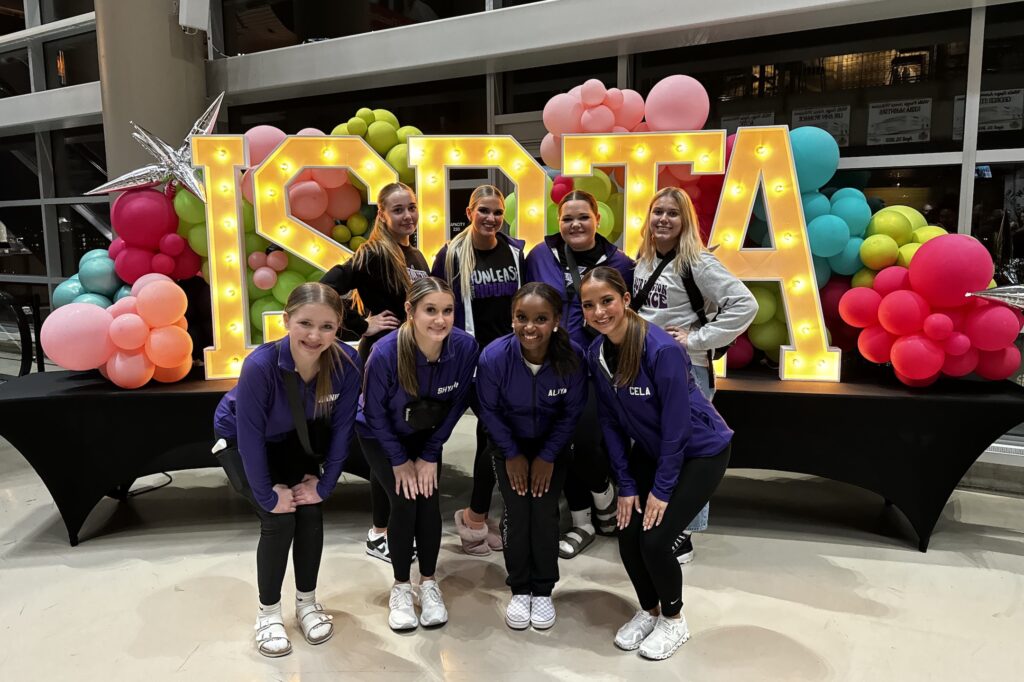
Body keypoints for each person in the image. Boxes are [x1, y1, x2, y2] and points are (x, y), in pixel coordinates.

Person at [580, 266, 733, 661]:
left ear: (626, 300)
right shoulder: (595, 353)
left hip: (701, 452)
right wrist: (627, 486)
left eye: (607, 301)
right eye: (589, 305)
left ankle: (675, 619)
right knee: (627, 533)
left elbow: (677, 428)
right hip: (651, 450)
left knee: (657, 540)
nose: (599, 311)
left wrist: (661, 491)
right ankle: (649, 611)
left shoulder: (661, 348)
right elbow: (611, 423)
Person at [212, 283, 362, 658]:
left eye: (327, 327)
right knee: (278, 519)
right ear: (286, 320)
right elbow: (248, 437)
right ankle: (268, 614)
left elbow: (344, 429)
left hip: (295, 436)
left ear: (339, 326)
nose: (315, 335)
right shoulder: (261, 365)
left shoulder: (346, 362)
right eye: (305, 323)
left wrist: (324, 486)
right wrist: (267, 494)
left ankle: (307, 603)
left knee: (310, 511)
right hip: (244, 439)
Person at [632, 187, 756, 563]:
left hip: (688, 372)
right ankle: (662, 521)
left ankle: (683, 533)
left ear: (685, 221)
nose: (664, 219)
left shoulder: (697, 261)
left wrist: (697, 339)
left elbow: (744, 304)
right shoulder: (644, 258)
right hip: (648, 369)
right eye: (658, 211)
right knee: (660, 447)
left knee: (692, 452)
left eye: (673, 212)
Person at [356, 276, 479, 631]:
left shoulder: (464, 348)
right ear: (410, 311)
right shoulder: (385, 353)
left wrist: (428, 453)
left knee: (429, 499)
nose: (440, 320)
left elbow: (457, 405)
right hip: (380, 436)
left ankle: (428, 582)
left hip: (426, 436)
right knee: (405, 500)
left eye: (447, 311)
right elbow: (375, 413)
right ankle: (400, 586)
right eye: (430, 310)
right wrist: (398, 461)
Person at [321, 181, 430, 563]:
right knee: (385, 447)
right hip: (381, 359)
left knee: (402, 441)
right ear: (382, 214)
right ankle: (380, 533)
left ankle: (391, 526)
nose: (407, 216)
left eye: (411, 207)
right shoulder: (371, 254)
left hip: (413, 359)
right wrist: (360, 325)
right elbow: (325, 288)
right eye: (397, 209)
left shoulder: (414, 255)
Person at [525, 189, 634, 559]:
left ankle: (604, 495)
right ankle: (581, 520)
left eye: (583, 217)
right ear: (559, 221)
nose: (575, 224)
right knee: (560, 439)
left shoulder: (620, 262)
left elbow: (633, 312)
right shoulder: (540, 255)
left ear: (597, 219)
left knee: (589, 440)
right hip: (552, 365)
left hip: (602, 366)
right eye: (568, 218)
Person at [476, 282, 587, 630]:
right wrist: (511, 454)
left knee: (544, 514)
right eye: (521, 317)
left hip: (550, 451)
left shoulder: (572, 359)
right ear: (511, 318)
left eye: (540, 319)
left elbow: (572, 414)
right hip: (508, 448)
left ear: (556, 321)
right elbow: (488, 411)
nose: (529, 327)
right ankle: (520, 588)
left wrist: (548, 456)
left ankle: (542, 590)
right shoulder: (494, 357)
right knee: (517, 513)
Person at [431, 184, 527, 557]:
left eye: (497, 212)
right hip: (468, 360)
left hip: (507, 361)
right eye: (483, 210)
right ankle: (474, 518)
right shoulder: (452, 255)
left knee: (493, 437)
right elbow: (435, 303)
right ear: (470, 211)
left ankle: (477, 517)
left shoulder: (516, 252)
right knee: (485, 437)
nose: (490, 218)